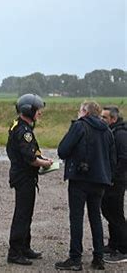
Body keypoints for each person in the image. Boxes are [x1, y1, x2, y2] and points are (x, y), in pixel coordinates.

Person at [55, 101, 116, 271]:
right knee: (95, 218)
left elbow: (63, 150)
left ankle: (75, 258)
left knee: (76, 218)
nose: (78, 112)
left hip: (80, 179)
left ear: (85, 112)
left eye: (80, 110)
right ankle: (98, 258)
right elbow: (112, 159)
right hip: (100, 180)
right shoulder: (107, 130)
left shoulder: (80, 126)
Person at [6, 94, 53, 266]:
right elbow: (30, 158)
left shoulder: (20, 126)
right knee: (22, 215)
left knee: (27, 214)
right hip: (24, 177)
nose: (40, 113)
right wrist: (46, 163)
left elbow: (31, 153)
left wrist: (42, 159)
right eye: (37, 110)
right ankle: (15, 252)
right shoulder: (23, 131)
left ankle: (25, 247)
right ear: (29, 110)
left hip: (24, 176)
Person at [101, 106, 127, 263]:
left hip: (117, 181)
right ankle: (113, 243)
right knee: (108, 211)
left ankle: (124, 248)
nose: (101, 120)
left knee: (116, 214)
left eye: (104, 117)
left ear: (113, 119)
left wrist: (114, 177)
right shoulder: (111, 132)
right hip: (109, 180)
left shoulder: (121, 134)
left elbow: (124, 158)